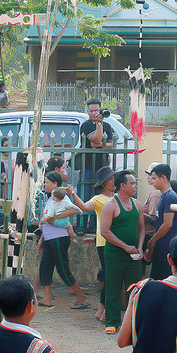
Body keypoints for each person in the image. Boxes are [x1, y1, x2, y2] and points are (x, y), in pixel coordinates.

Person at [101, 171, 145, 335]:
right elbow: (105, 232)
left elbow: (141, 228)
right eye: (132, 183)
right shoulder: (111, 205)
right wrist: (125, 246)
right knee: (112, 287)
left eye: (135, 183)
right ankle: (112, 321)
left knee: (135, 289)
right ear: (122, 186)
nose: (135, 186)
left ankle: (133, 322)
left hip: (134, 254)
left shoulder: (137, 204)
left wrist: (140, 246)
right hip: (114, 254)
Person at [69, 166, 114, 321]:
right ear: (103, 183)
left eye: (113, 178)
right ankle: (102, 307)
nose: (113, 181)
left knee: (110, 276)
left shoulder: (117, 197)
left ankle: (104, 307)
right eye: (110, 179)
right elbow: (84, 207)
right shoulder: (98, 199)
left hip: (114, 241)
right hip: (104, 241)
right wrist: (73, 194)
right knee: (110, 276)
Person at [38, 174, 89, 309]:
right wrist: (42, 239)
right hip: (49, 238)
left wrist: (53, 218)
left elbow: (72, 210)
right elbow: (46, 221)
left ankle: (81, 296)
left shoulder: (62, 197)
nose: (45, 185)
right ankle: (46, 298)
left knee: (62, 269)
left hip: (59, 238)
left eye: (47, 182)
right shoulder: (50, 199)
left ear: (55, 184)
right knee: (45, 267)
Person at [79, 99, 115, 232]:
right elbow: (96, 139)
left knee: (99, 195)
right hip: (87, 165)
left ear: (100, 110)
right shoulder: (86, 125)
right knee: (85, 194)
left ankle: (95, 226)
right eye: (91, 111)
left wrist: (99, 144)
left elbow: (110, 144)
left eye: (96, 110)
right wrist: (98, 126)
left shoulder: (108, 126)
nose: (94, 113)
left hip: (102, 166)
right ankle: (82, 226)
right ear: (87, 112)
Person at [144, 164, 177, 280]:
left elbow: (167, 224)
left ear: (163, 178)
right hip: (162, 246)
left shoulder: (169, 197)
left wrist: (152, 241)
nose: (152, 182)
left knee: (165, 279)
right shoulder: (164, 195)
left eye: (154, 178)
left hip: (167, 247)